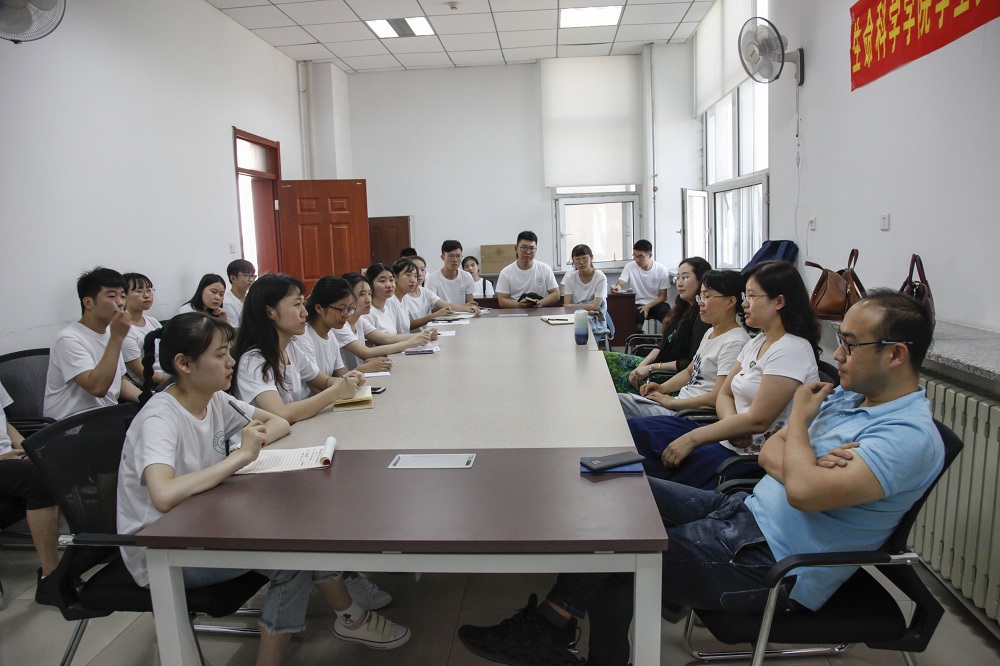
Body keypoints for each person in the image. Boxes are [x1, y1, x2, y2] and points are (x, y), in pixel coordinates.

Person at [458, 290, 943, 666]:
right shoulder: (849, 399)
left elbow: (801, 489)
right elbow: (769, 451)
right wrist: (805, 459)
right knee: (611, 485)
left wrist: (798, 427)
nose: (838, 355)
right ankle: (555, 627)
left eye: (851, 345)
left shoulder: (906, 436)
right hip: (743, 511)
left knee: (617, 546)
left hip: (773, 564)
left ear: (896, 354)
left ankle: (553, 629)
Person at [117, 313, 410, 664]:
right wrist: (239, 457)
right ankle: (345, 620)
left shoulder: (215, 399)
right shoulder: (160, 417)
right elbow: (163, 495)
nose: (231, 361)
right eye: (220, 355)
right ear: (184, 363)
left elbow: (278, 421)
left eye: (229, 351)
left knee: (301, 529)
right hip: (160, 547)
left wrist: (248, 448)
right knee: (292, 558)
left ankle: (348, 617)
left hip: (203, 519)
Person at [628, 260, 820, 488]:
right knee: (637, 431)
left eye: (751, 296)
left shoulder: (791, 349)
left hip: (746, 456)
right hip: (727, 437)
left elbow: (758, 420)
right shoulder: (757, 342)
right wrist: (732, 426)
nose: (744, 303)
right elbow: (724, 394)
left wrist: (692, 438)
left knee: (652, 470)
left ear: (779, 301)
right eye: (745, 295)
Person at [619, 269, 749, 419]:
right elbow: (689, 372)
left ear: (730, 302)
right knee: (617, 402)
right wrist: (661, 388)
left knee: (617, 404)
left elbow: (718, 397)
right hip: (680, 406)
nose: (700, 302)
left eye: (707, 296)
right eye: (701, 296)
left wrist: (672, 402)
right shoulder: (710, 332)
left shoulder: (735, 342)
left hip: (690, 414)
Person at [233, 273, 362, 424]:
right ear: (270, 312)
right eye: (296, 304)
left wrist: (348, 380)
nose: (305, 313)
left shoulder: (290, 348)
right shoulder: (253, 360)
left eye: (303, 303)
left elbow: (325, 381)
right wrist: (335, 393)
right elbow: (281, 413)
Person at [44, 267, 141, 421]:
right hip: (73, 423)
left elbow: (120, 382)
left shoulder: (110, 332)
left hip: (106, 416)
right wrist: (117, 338)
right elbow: (97, 388)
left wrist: (147, 398)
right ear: (88, 302)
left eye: (123, 296)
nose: (120, 302)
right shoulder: (68, 339)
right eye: (112, 296)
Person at [604, 257, 712, 394]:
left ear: (702, 281)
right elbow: (662, 344)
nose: (679, 283)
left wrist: (652, 368)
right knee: (605, 359)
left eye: (685, 277)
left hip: (670, 376)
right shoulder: (681, 310)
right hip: (658, 366)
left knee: (611, 376)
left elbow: (689, 363)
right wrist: (643, 364)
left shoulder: (702, 317)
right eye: (678, 278)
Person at [0, 380, 60, 604]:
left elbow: (5, 423)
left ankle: (54, 575)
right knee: (37, 477)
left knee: (48, 463)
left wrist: (28, 447)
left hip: (9, 457)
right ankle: (51, 577)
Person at [335, 273, 433, 372]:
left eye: (369, 294)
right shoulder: (340, 325)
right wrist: (409, 343)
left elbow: (387, 339)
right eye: (361, 294)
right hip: (350, 377)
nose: (368, 300)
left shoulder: (359, 320)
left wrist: (423, 335)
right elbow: (366, 353)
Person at [397, 257, 478, 330]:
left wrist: (465, 307)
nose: (420, 273)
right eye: (411, 273)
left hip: (428, 334)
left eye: (422, 270)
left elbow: (446, 305)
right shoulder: (402, 296)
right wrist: (434, 315)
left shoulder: (425, 292)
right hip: (416, 337)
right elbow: (407, 325)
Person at [610, 239, 672, 332]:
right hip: (638, 303)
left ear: (649, 255)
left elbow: (663, 296)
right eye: (634, 256)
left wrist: (648, 306)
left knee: (668, 318)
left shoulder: (661, 269)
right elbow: (621, 281)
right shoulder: (630, 266)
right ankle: (640, 339)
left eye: (640, 256)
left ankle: (665, 339)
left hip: (656, 303)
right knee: (636, 320)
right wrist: (617, 287)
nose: (637, 260)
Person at [120, 272, 169, 387]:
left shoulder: (153, 321)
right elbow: (145, 375)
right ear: (123, 296)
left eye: (149, 290)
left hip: (170, 374)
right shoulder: (123, 330)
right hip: (153, 386)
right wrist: (178, 378)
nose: (147, 295)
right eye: (139, 291)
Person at [495, 231, 560, 308]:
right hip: (517, 311)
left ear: (536, 250)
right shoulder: (506, 272)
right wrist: (519, 305)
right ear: (516, 248)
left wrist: (541, 303)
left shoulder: (545, 269)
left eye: (532, 248)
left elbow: (556, 294)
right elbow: (502, 300)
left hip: (540, 310)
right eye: (524, 248)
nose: (528, 252)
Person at [561, 244, 613, 339]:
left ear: (591, 258)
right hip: (577, 317)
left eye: (585, 258)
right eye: (577, 259)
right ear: (573, 261)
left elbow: (596, 306)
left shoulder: (600, 277)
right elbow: (566, 306)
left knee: (587, 338)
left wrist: (574, 306)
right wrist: (586, 310)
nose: (581, 262)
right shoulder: (570, 278)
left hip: (596, 317)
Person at [362, 263, 411, 335]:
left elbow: (394, 335)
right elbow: (385, 339)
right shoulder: (367, 313)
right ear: (370, 285)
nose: (389, 285)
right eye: (382, 281)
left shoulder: (387, 308)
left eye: (391, 280)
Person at [425, 240, 477, 306]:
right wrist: (459, 307)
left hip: (464, 313)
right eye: (451, 256)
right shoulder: (432, 278)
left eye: (458, 256)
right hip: (442, 313)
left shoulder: (466, 276)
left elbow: (470, 305)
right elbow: (430, 308)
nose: (455, 260)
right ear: (443, 257)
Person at [223, 259, 256, 328]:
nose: (251, 280)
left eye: (253, 276)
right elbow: (234, 330)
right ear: (233, 278)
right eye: (246, 275)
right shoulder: (227, 302)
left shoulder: (252, 298)